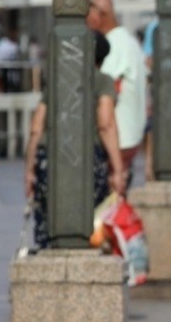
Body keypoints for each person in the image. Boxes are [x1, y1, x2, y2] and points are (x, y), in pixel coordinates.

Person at [24, 32, 125, 250]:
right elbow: (105, 124)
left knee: (47, 218)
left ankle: (46, 264)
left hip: (47, 157)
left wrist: (30, 169)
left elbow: (36, 127)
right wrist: (118, 168)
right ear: (102, 58)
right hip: (89, 157)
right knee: (90, 218)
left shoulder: (57, 80)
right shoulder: (102, 80)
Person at [87, 0, 148, 185]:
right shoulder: (128, 40)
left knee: (108, 204)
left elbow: (106, 92)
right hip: (129, 134)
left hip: (119, 136)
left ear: (100, 15)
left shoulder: (115, 45)